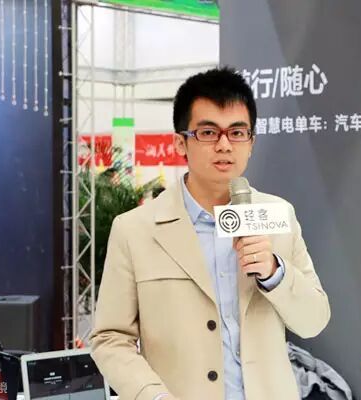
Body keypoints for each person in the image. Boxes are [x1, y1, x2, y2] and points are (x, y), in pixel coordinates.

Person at [89, 67, 331, 400]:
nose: (224, 145)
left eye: (237, 132)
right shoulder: (135, 230)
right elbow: (110, 339)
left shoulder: (279, 216)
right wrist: (152, 395)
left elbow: (314, 320)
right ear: (180, 143)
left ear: (251, 143)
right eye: (207, 132)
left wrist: (275, 273)